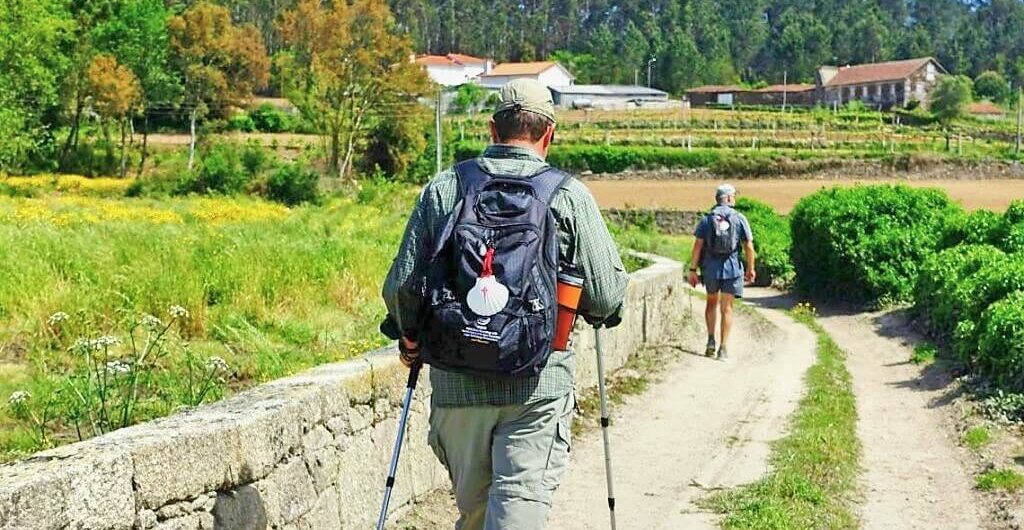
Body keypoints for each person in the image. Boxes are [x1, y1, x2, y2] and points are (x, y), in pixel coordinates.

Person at [382, 79, 629, 530]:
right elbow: (607, 295)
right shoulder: (568, 195)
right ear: (548, 135)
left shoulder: (446, 188)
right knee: (515, 514)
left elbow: (403, 284)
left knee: (474, 516)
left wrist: (409, 338)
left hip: (458, 389)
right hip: (537, 388)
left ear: (493, 130)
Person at [687, 184, 756, 361]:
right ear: (728, 198)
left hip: (710, 268)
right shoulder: (739, 218)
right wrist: (750, 268)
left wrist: (693, 270)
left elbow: (697, 246)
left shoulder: (706, 220)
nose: (735, 198)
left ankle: (711, 340)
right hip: (732, 268)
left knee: (711, 303)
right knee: (727, 308)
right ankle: (723, 349)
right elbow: (748, 246)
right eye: (733, 196)